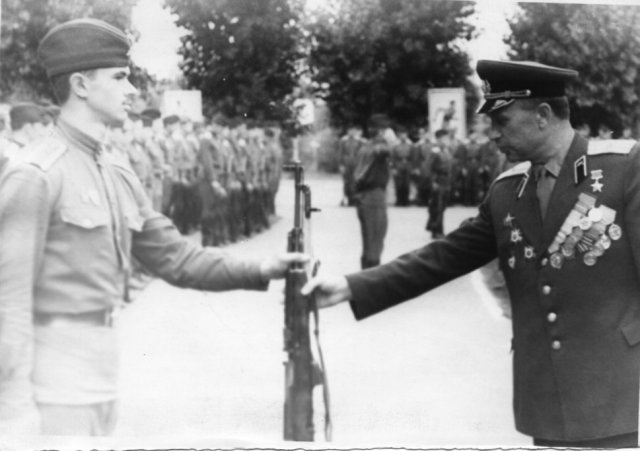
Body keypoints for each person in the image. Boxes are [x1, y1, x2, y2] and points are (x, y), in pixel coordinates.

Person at [303, 60, 640, 447]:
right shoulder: (507, 191)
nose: (493, 134)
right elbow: (445, 256)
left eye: (502, 121)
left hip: (618, 395)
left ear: (543, 115)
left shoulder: (622, 170)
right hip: (547, 401)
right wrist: (350, 286)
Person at [0, 18, 307, 437]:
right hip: (49, 387)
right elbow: (8, 305)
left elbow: (175, 256)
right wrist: (14, 413)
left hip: (100, 375)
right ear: (81, 85)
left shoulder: (115, 168)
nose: (132, 90)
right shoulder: (36, 174)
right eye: (120, 78)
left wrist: (261, 267)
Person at [352, 117, 391, 269]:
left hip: (365, 196)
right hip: (374, 196)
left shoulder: (365, 146)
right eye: (386, 130)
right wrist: (390, 140)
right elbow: (385, 151)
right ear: (381, 131)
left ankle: (365, 273)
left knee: (369, 241)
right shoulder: (377, 147)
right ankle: (371, 276)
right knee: (376, 238)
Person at [426, 129, 453, 239]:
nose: (446, 140)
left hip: (446, 180)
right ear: (439, 139)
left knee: (443, 206)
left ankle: (434, 227)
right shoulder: (435, 151)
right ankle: (437, 231)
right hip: (438, 180)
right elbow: (429, 168)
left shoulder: (446, 150)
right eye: (444, 138)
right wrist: (433, 182)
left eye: (447, 138)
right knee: (437, 206)